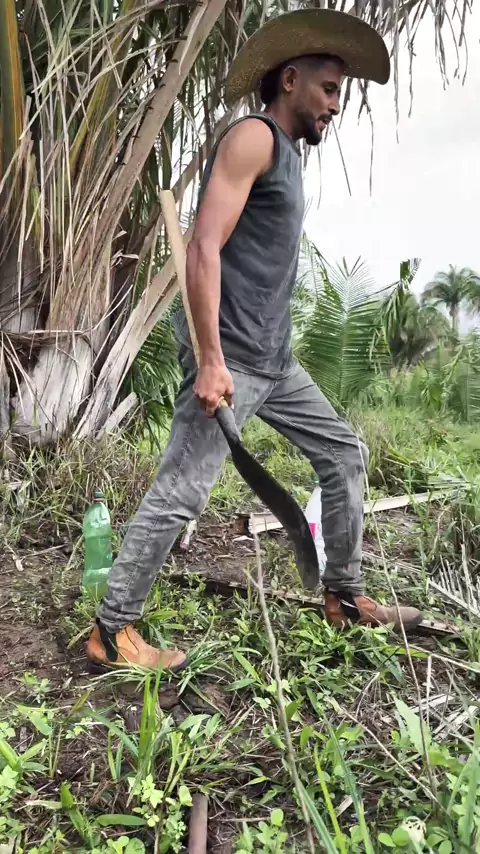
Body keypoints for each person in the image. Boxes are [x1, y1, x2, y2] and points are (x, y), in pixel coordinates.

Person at [86, 9, 423, 671]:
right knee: (183, 489)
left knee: (344, 454)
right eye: (329, 89)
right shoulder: (254, 137)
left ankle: (344, 595)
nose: (336, 105)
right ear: (290, 80)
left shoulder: (289, 155)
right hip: (231, 356)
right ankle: (111, 630)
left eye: (341, 92)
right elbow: (203, 248)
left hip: (274, 359)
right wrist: (210, 360)